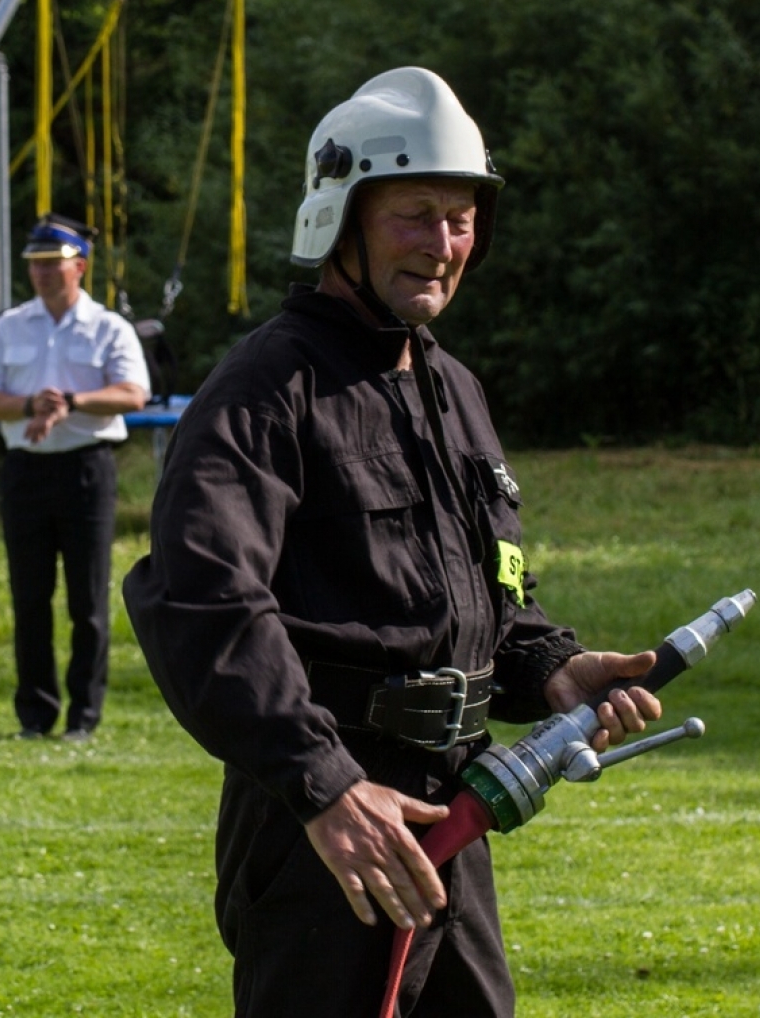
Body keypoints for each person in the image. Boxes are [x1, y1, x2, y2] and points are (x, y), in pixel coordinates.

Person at [122, 67, 662, 1016]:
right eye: (414, 214)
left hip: (456, 810)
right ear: (341, 216)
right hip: (329, 824)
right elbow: (200, 605)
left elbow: (484, 589)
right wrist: (325, 787)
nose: (443, 244)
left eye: (461, 219)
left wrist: (553, 670)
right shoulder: (264, 389)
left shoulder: (452, 389)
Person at [0, 214, 149, 741]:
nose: (42, 274)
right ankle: (35, 716)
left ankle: (83, 718)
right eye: (35, 266)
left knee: (86, 601)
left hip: (86, 469)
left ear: (80, 267)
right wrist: (28, 403)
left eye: (52, 264)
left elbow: (134, 393)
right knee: (30, 598)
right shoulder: (10, 326)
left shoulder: (109, 327)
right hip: (24, 471)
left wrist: (71, 402)